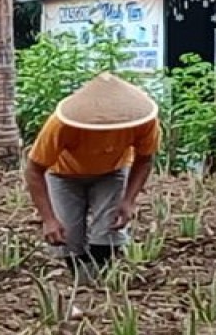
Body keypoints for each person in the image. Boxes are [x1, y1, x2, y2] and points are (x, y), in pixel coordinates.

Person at [24, 72, 161, 282]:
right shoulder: (60, 125)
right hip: (64, 175)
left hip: (112, 172)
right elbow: (34, 169)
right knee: (67, 235)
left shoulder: (143, 123)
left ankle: (99, 281)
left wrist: (129, 201)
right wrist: (48, 219)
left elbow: (144, 159)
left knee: (109, 227)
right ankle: (80, 280)